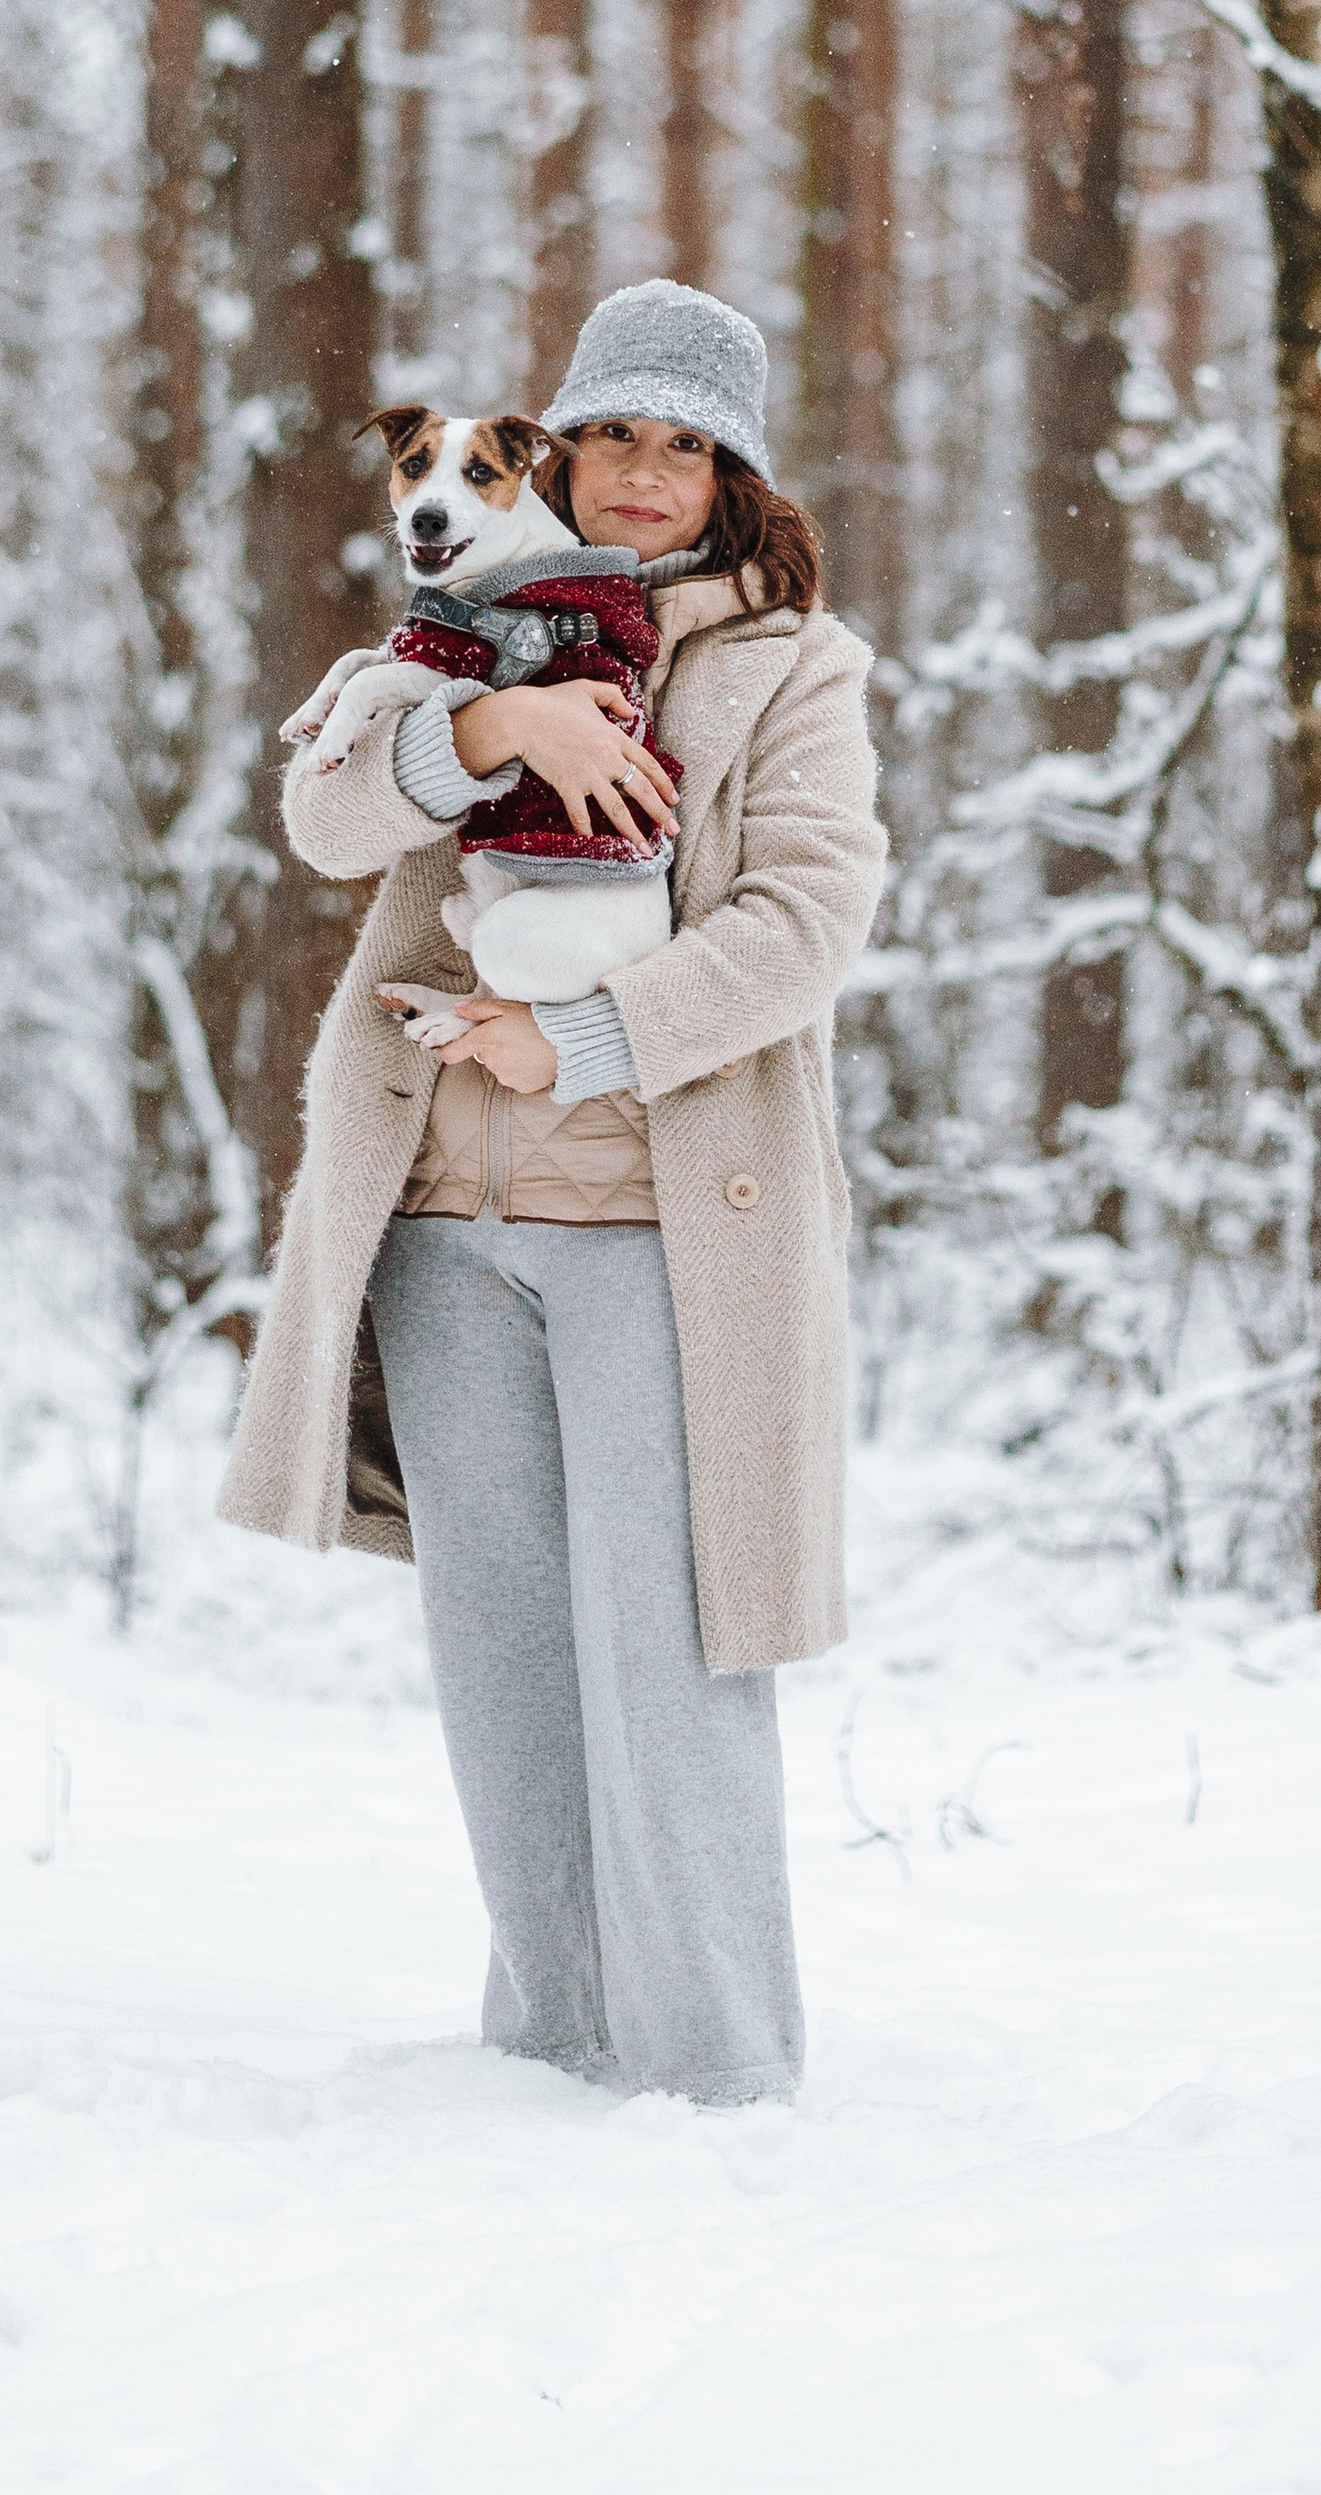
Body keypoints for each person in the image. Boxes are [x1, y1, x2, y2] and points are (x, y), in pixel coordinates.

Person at [218, 280, 886, 2105]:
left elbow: (804, 929)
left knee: (668, 1656)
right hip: (436, 1227)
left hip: (665, 1234)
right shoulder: (461, 630)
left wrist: (576, 1039)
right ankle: (551, 2057)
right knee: (503, 1657)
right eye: (618, 435)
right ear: (557, 445)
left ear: (733, 473)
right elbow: (329, 818)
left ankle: (720, 2072)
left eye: (689, 444)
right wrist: (505, 739)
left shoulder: (793, 667)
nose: (648, 474)